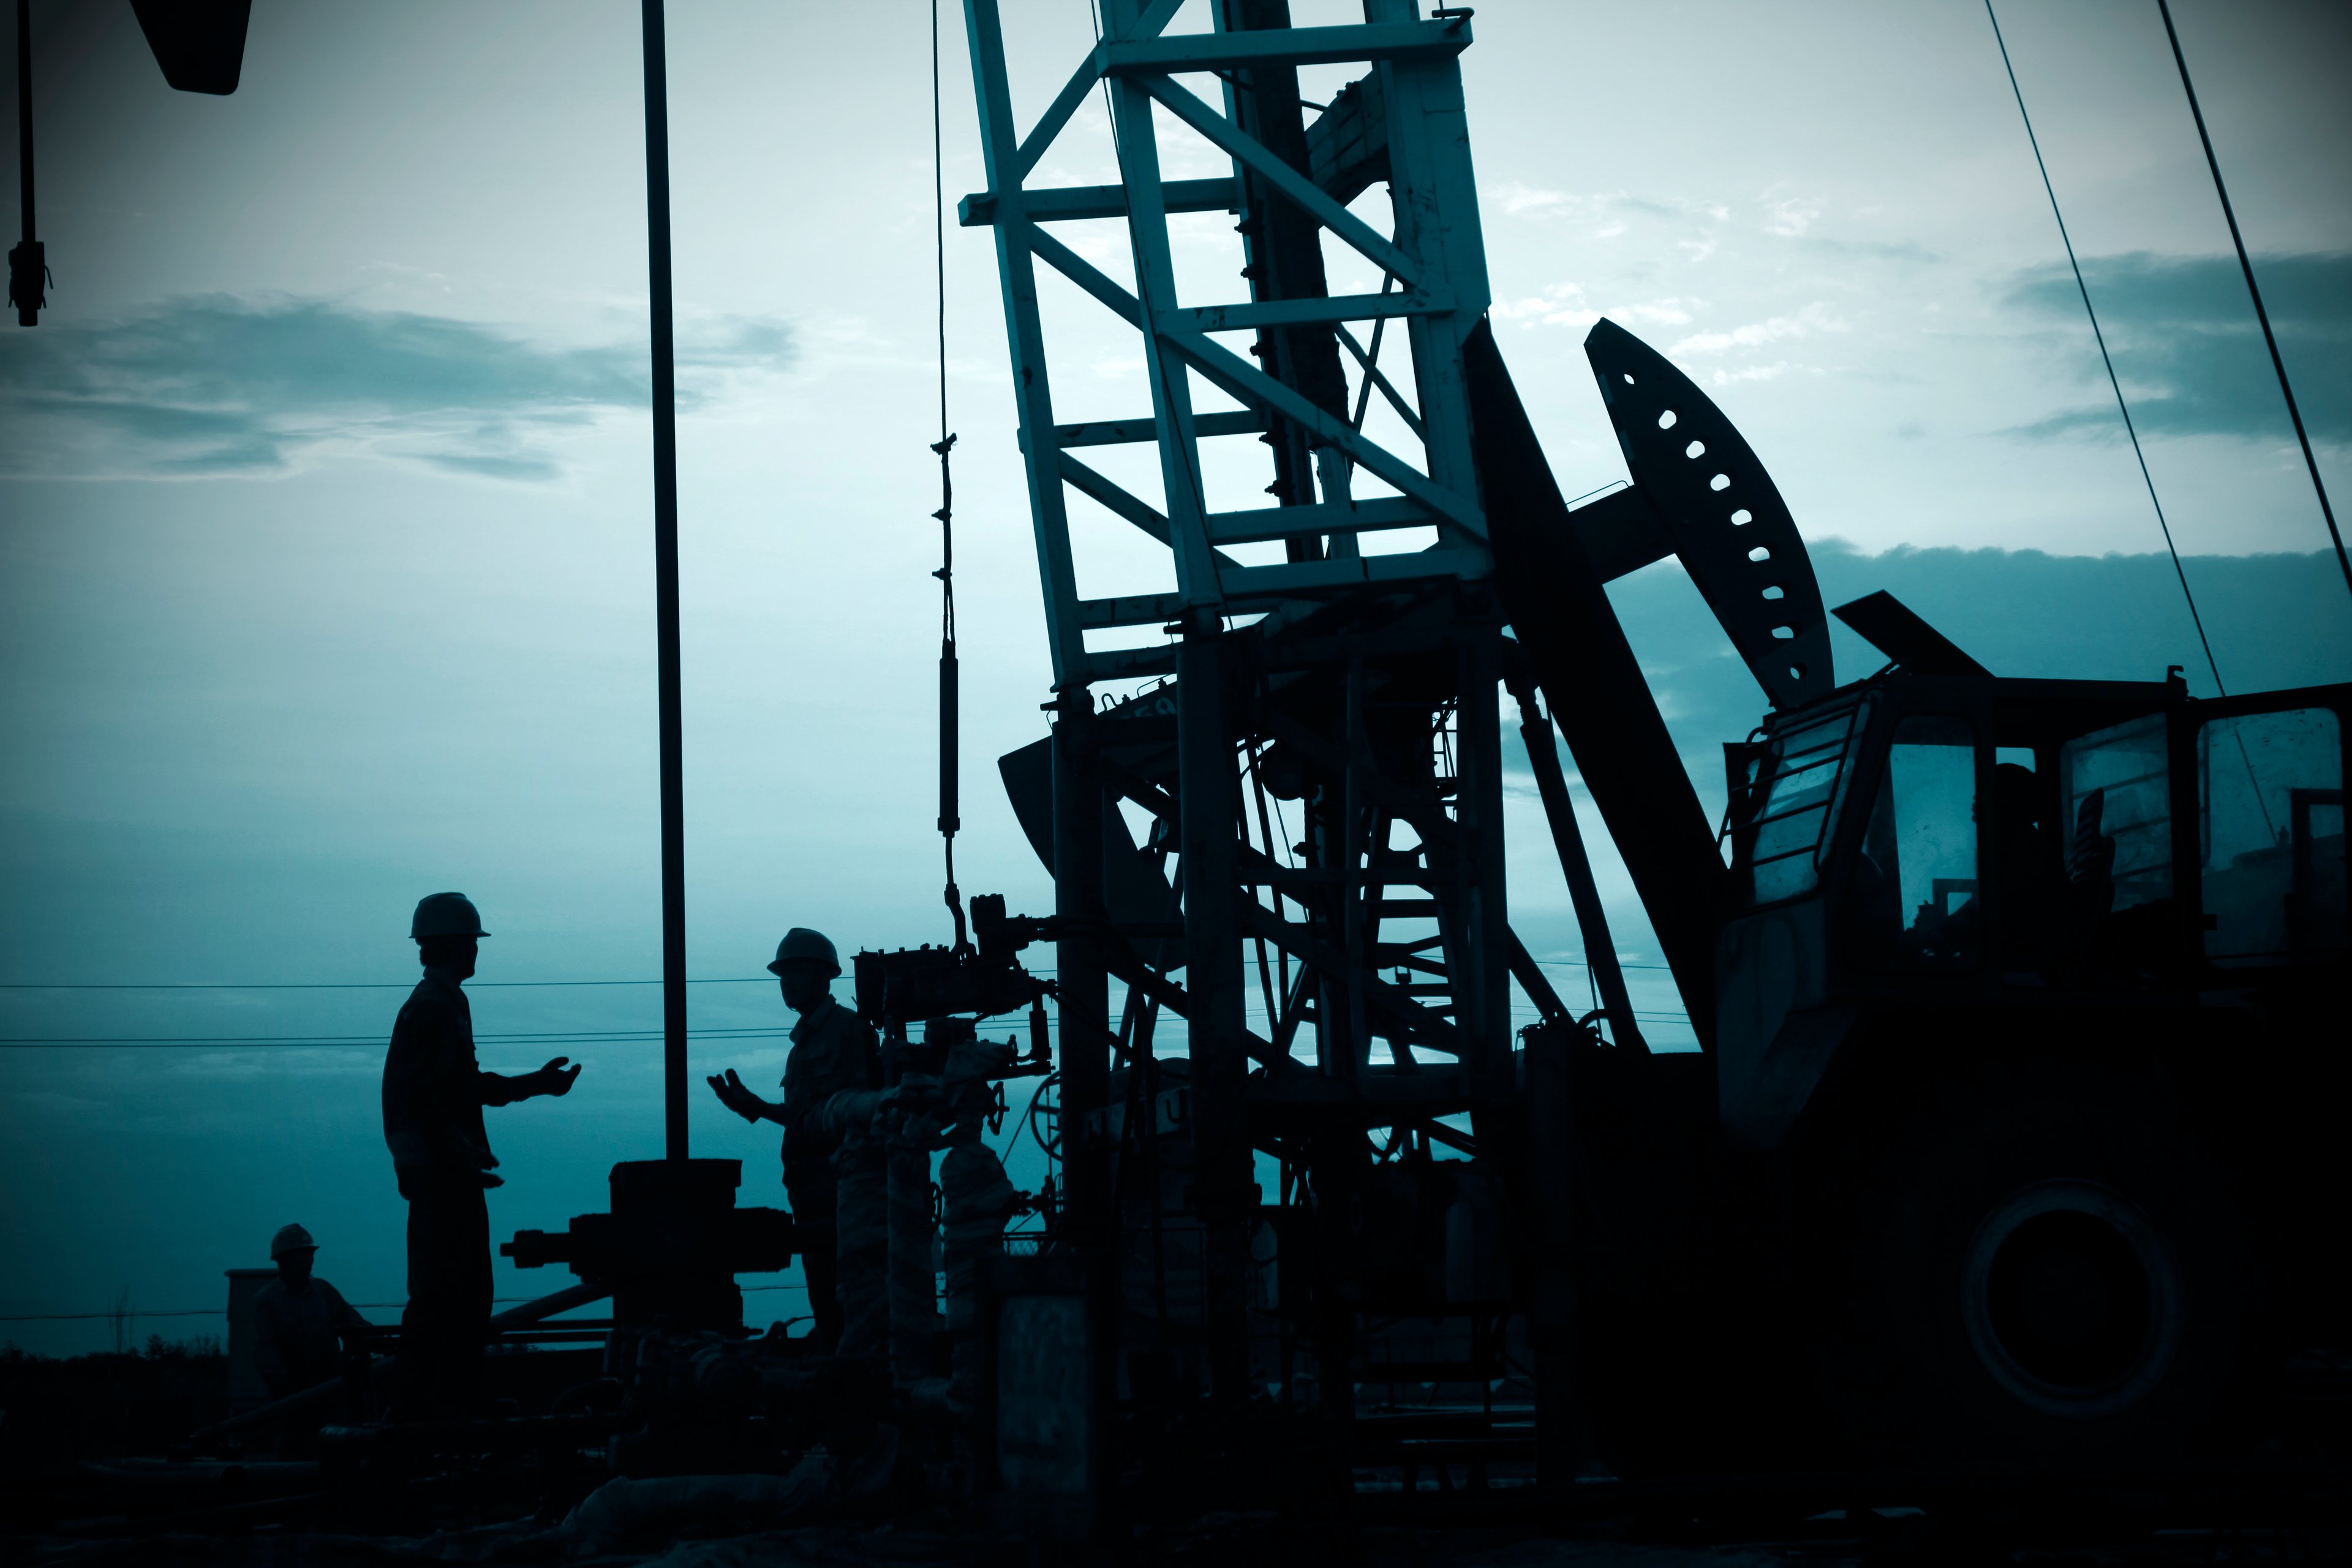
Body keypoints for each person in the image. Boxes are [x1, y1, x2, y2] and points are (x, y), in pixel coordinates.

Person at [381, 891, 580, 1414]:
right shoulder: (433, 1008)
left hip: (442, 1173)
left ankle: (443, 1407)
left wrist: (535, 1084)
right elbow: (429, 1098)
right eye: (471, 942)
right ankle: (432, 1413)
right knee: (449, 1299)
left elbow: (460, 1087)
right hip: (440, 1176)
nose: (476, 952)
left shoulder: (443, 1004)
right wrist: (459, 1153)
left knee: (456, 1297)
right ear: (453, 947)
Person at [707, 927, 877, 1351]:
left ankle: (850, 1353)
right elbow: (807, 1119)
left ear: (824, 976)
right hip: (808, 1188)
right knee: (820, 1278)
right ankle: (832, 1341)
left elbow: (858, 1111)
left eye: (796, 972)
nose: (787, 983)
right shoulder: (801, 1044)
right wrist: (759, 1108)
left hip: (842, 1189)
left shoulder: (850, 1032)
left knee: (847, 1281)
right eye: (783, 975)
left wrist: (764, 1109)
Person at [250, 1223, 368, 1402]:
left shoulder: (324, 1291)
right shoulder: (267, 1301)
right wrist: (287, 1394)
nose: (308, 1261)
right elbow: (267, 1355)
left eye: (310, 1255)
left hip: (332, 1393)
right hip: (291, 1401)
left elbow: (356, 1327)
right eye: (301, 1256)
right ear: (283, 1260)